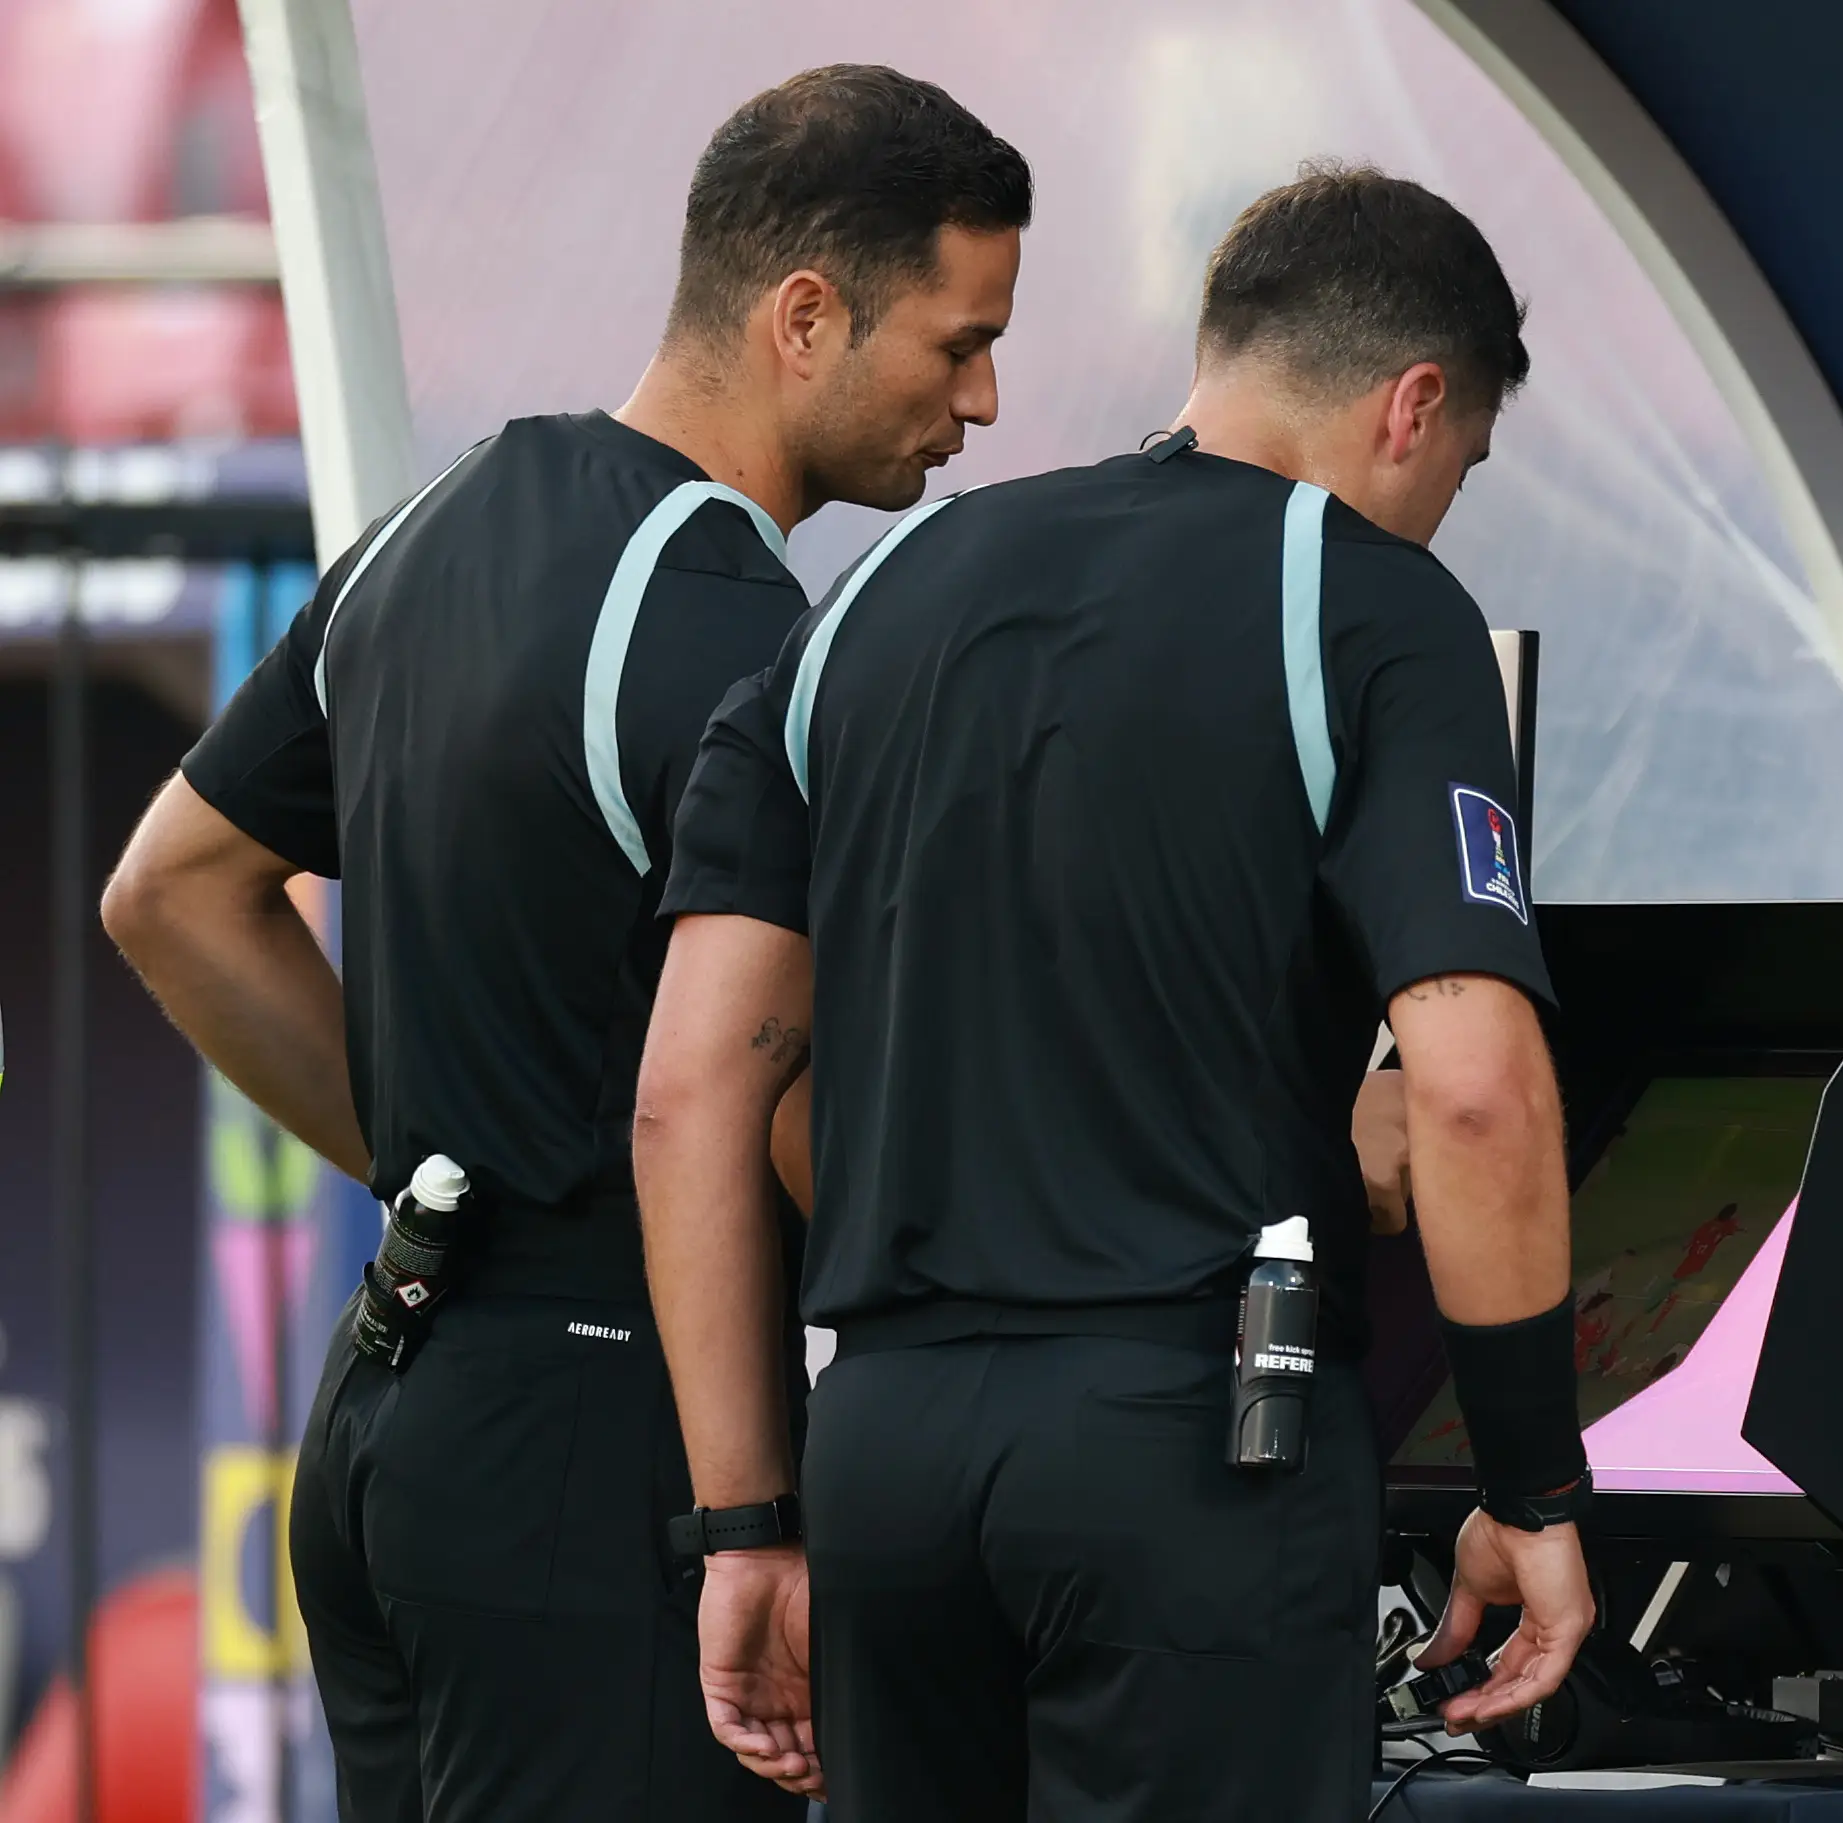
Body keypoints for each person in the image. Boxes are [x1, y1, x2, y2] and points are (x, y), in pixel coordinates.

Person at [97, 66, 1030, 1818]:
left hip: (393, 1404)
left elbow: (172, 889)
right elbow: (806, 1123)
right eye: (954, 342)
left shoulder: (427, 526)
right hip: (594, 1451)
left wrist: (447, 1172)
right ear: (804, 314)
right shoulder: (739, 625)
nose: (981, 399)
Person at [634, 162, 1596, 1819]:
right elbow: (1472, 1086)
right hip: (1191, 1438)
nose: (1446, 502)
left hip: (886, 1445)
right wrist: (1527, 1480)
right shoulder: (1367, 605)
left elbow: (694, 1092)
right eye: (1463, 461)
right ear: (1412, 401)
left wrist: (743, 1522)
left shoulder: (871, 595)